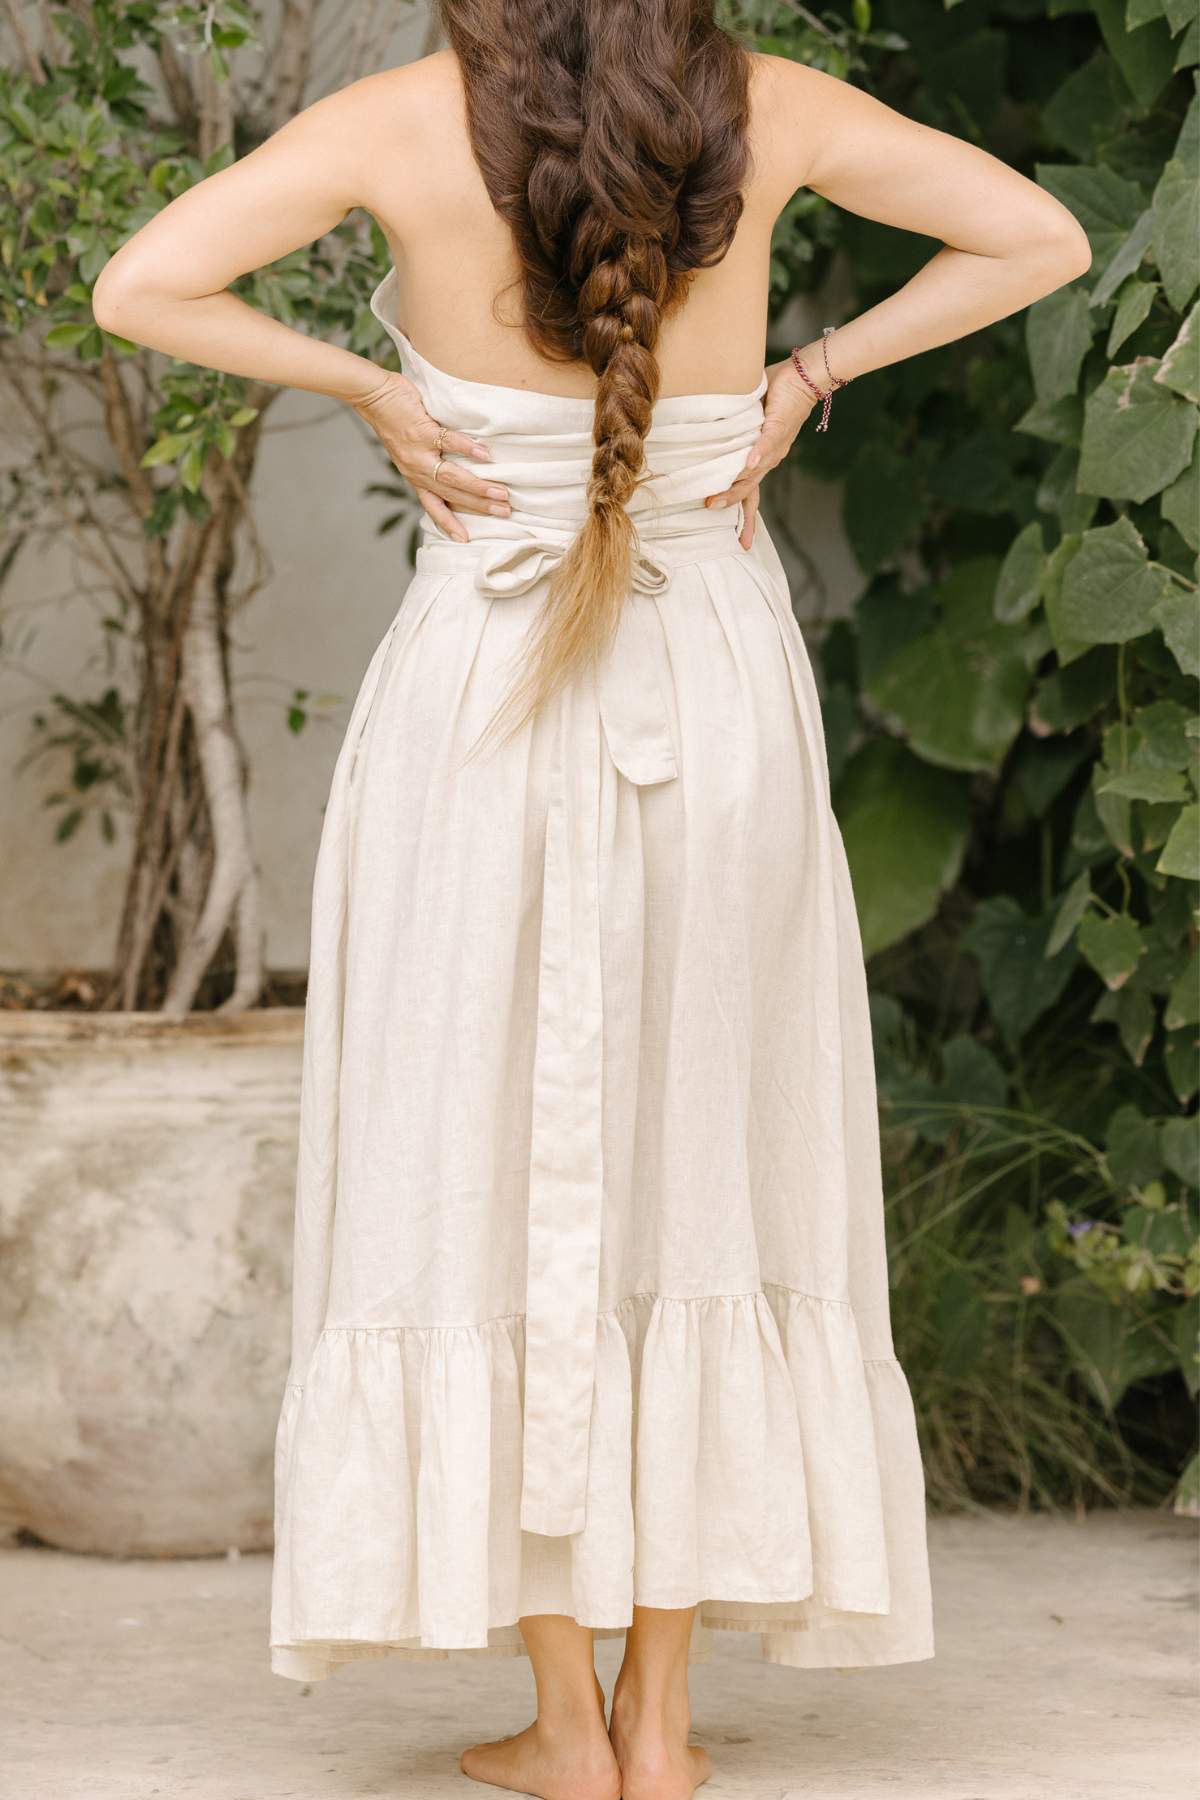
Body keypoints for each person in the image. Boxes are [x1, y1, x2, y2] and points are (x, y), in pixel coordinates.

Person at [93, 8, 1090, 1798]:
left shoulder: (399, 122)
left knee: (499, 1169)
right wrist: (811, 373)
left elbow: (141, 286)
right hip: (717, 706)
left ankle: (564, 1727)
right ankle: (663, 1719)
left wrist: (377, 388)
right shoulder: (767, 105)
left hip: (485, 708)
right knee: (703, 1155)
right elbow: (1041, 236)